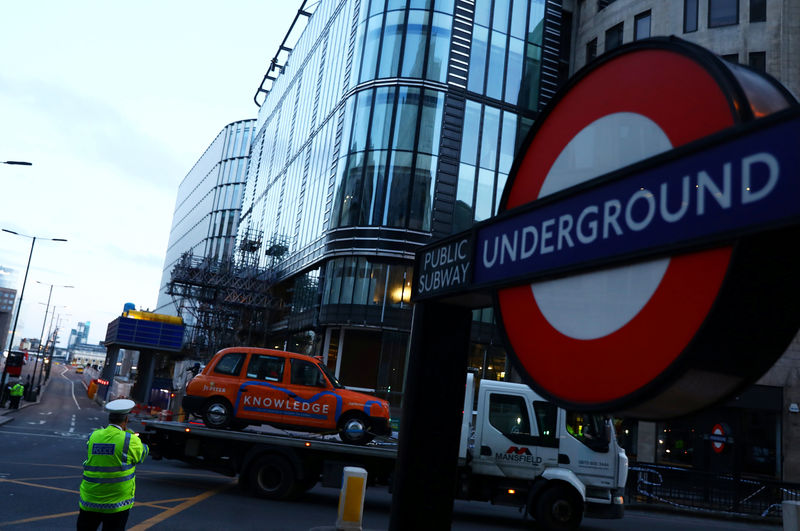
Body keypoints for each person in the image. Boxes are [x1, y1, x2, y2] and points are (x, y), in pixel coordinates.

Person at [77, 399, 149, 531]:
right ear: (126, 420)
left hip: (90, 497)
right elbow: (142, 455)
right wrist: (132, 435)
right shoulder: (130, 439)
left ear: (109, 419)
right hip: (116, 502)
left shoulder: (93, 436)